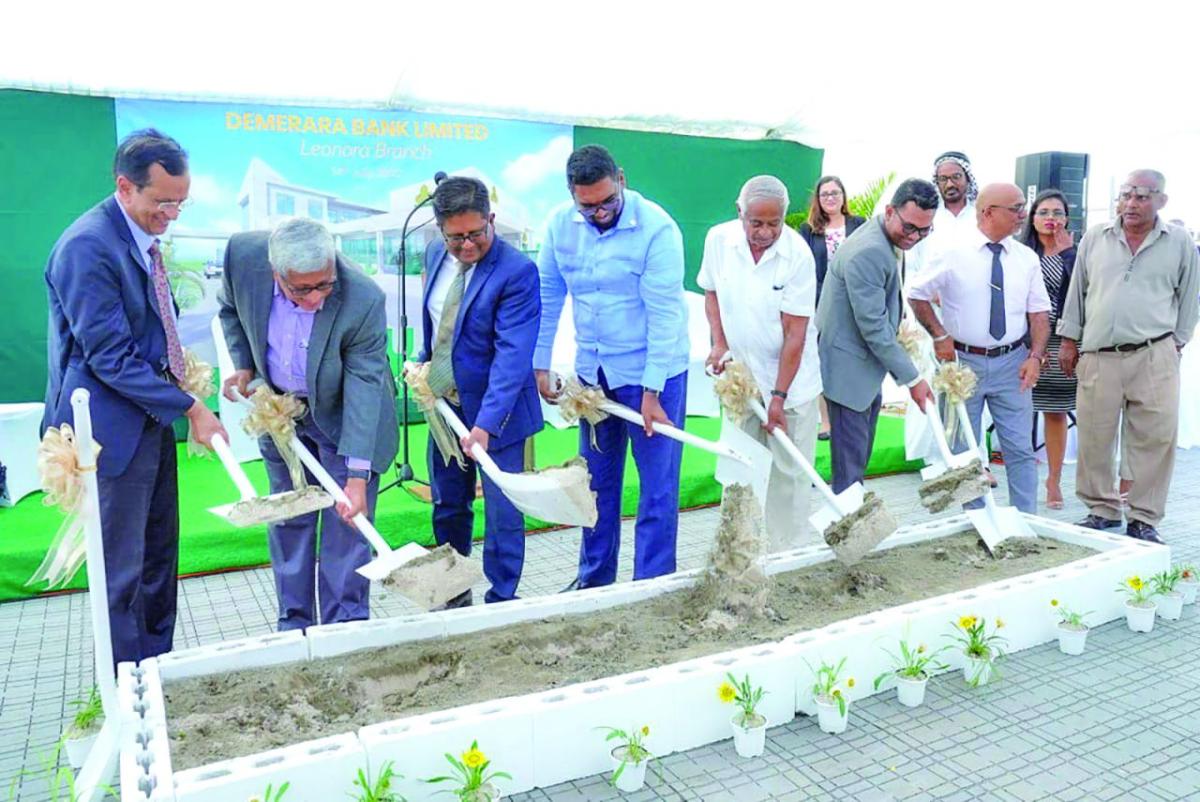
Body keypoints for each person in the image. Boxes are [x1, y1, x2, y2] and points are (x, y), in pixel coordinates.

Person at [43, 129, 226, 667]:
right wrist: (191, 407)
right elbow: (109, 357)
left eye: (180, 203)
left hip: (148, 418)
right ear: (125, 187)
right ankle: (126, 683)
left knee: (158, 558)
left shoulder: (141, 236)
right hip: (108, 432)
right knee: (121, 568)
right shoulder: (87, 247)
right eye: (162, 202)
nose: (171, 215)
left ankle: (157, 668)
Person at [218, 217, 397, 629]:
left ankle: (344, 628)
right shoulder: (242, 258)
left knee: (346, 525)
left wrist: (356, 476)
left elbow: (364, 386)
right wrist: (244, 364)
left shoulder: (363, 298)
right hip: (280, 410)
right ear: (275, 272)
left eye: (324, 285)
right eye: (302, 289)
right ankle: (294, 625)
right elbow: (230, 308)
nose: (316, 298)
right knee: (289, 515)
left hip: (346, 415)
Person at [535, 144, 689, 589]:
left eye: (607, 201)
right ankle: (594, 581)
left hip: (654, 375)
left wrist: (652, 392)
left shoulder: (658, 228)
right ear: (571, 194)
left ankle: (651, 586)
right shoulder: (559, 226)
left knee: (657, 487)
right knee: (595, 485)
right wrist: (539, 365)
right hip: (594, 377)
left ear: (621, 179)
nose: (599, 213)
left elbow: (664, 314)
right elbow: (547, 296)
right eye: (588, 207)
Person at [415, 176, 542, 606]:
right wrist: (422, 361)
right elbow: (440, 324)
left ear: (491, 219)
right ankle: (453, 594)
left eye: (476, 233)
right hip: (446, 407)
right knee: (448, 505)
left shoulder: (517, 272)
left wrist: (486, 424)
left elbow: (512, 357)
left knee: (503, 512)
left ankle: (501, 599)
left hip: (498, 414)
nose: (467, 245)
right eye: (456, 237)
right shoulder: (435, 254)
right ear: (439, 230)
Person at [1058, 170, 1200, 543]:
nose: (1131, 203)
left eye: (1142, 196)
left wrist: (1176, 343)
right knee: (1094, 436)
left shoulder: (1179, 241)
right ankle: (1101, 510)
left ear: (1161, 201)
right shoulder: (1096, 237)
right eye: (1126, 195)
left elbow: (1190, 297)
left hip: (1154, 354)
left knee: (1154, 438)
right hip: (1099, 355)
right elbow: (1077, 291)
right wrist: (1069, 340)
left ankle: (1144, 517)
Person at [909, 184, 1052, 514]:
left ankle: (1026, 521)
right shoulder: (951, 252)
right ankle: (976, 521)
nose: (1023, 214)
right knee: (965, 452)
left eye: (1023, 207)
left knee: (1020, 449)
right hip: (961, 364)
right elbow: (916, 294)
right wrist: (939, 336)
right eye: (1015, 208)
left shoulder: (1026, 258)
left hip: (1013, 363)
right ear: (988, 212)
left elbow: (1039, 313)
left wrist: (1036, 356)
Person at [700, 176, 822, 550]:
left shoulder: (798, 255)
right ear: (740, 212)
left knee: (789, 476)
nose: (766, 232)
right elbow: (711, 293)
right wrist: (719, 344)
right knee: (739, 468)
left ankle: (789, 557)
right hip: (742, 381)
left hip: (792, 386)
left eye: (775, 223)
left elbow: (795, 334)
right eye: (756, 223)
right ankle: (737, 556)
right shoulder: (718, 240)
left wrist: (779, 398)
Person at [814, 179, 936, 493]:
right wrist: (914, 380)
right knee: (849, 473)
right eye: (910, 228)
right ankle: (847, 519)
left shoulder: (888, 238)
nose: (914, 237)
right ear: (890, 211)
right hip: (848, 371)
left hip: (863, 368)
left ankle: (852, 513)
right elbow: (874, 328)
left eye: (924, 231)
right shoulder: (868, 251)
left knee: (856, 463)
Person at [1017, 189, 1078, 509]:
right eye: (1043, 212)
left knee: (1055, 411)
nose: (1051, 218)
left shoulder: (1076, 252)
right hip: (1023, 339)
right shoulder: (1019, 251)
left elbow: (1082, 291)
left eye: (1057, 212)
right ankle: (1023, 477)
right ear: (1032, 217)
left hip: (1060, 339)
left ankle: (1054, 479)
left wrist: (1068, 255)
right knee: (1020, 409)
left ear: (1066, 218)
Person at [799, 176, 866, 441]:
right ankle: (826, 422)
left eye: (835, 193)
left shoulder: (858, 224)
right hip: (820, 304)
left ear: (843, 196)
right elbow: (805, 269)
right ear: (818, 199)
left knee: (851, 361)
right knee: (822, 361)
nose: (830, 198)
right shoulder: (808, 230)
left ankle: (850, 418)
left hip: (854, 303)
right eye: (825, 194)